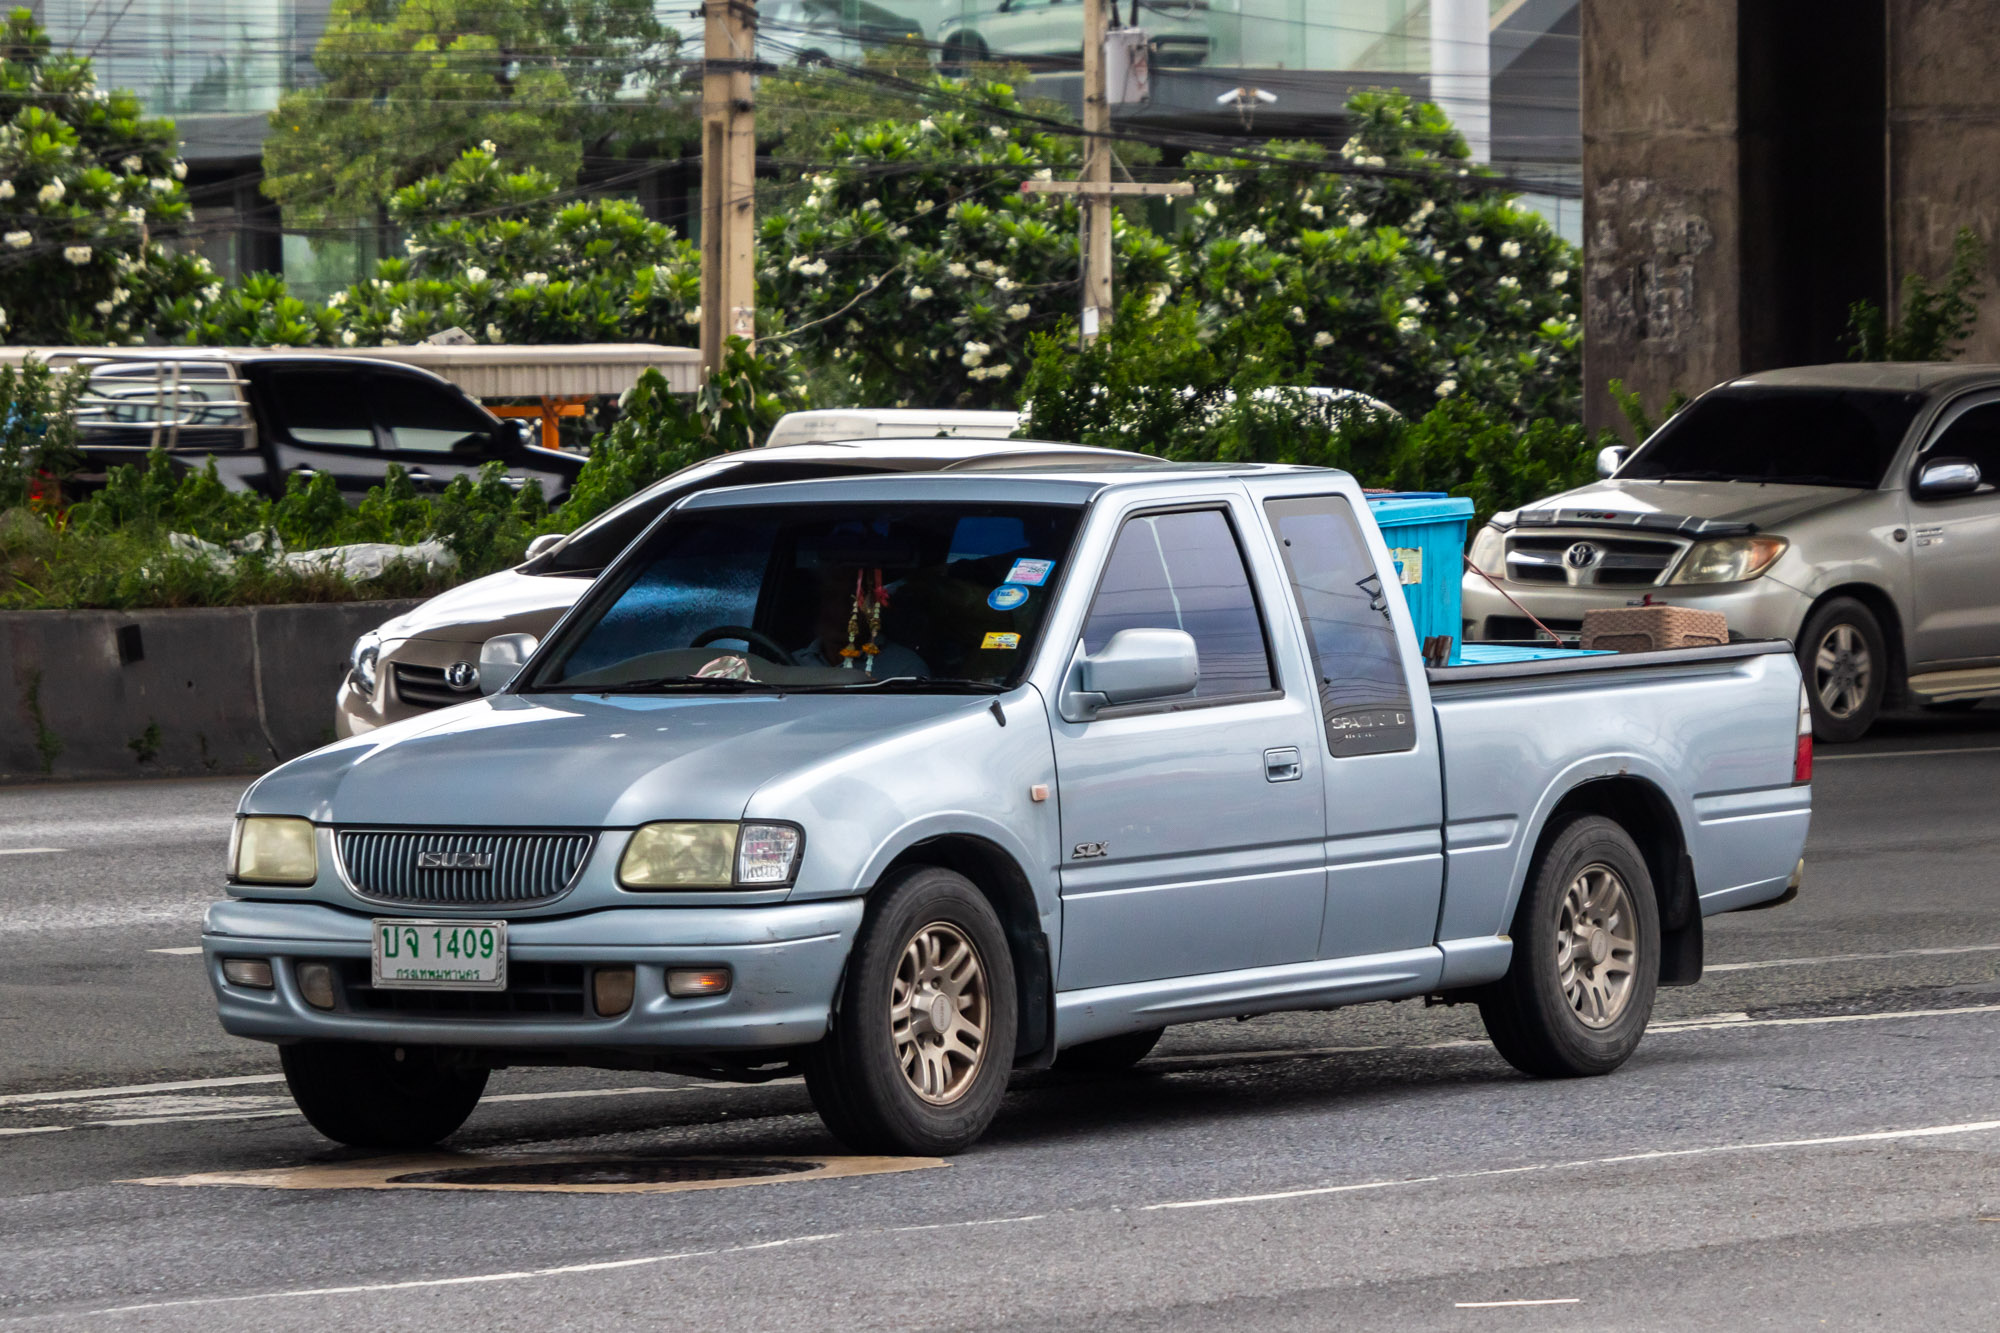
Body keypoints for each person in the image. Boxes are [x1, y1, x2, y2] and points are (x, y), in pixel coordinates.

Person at [794, 570, 929, 677]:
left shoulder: (904, 670)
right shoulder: (790, 664)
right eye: (831, 597)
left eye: (852, 600)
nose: (839, 610)